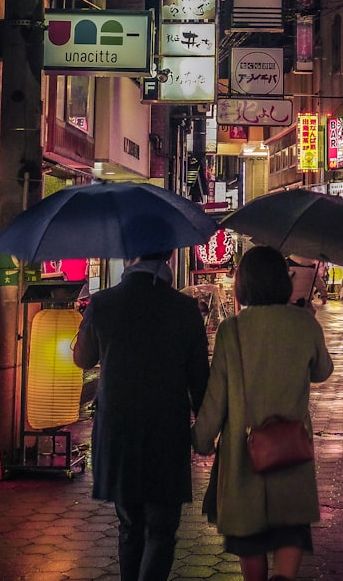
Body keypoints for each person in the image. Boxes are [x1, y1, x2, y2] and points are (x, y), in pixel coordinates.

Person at [193, 246, 334, 581]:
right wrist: (309, 324)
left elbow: (216, 399)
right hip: (291, 451)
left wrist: (202, 439)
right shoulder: (304, 324)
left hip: (244, 453)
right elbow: (322, 371)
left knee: (249, 534)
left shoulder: (232, 331)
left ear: (245, 284)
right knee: (290, 527)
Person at [74, 249, 210, 581]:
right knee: (162, 529)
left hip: (117, 430)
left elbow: (83, 359)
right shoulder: (183, 308)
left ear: (128, 256)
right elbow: (200, 381)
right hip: (167, 430)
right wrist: (208, 432)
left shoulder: (103, 303)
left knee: (130, 525)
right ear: (169, 256)